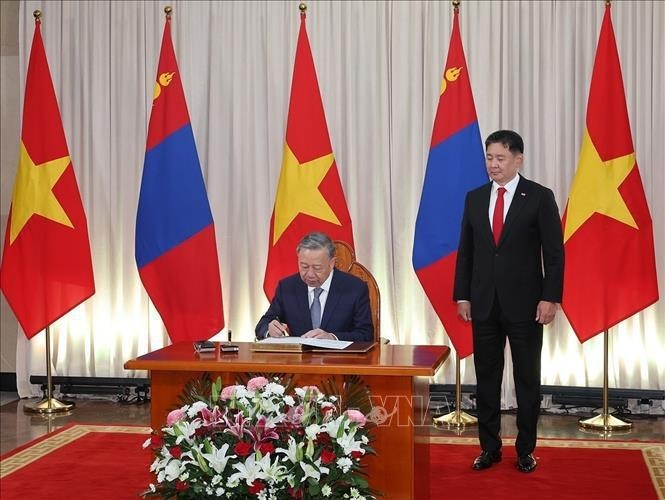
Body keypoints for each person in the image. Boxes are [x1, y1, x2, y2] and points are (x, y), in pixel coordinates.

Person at [453, 130, 564, 473]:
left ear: (519, 159)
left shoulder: (539, 197)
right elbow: (466, 251)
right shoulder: (475, 197)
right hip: (484, 303)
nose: (494, 165)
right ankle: (489, 448)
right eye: (489, 158)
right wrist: (462, 294)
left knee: (527, 379)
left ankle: (525, 450)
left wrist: (550, 298)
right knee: (486, 378)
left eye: (500, 158)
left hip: (527, 305)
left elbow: (555, 254)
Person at [255, 232, 373, 342]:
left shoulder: (355, 288)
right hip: (298, 362)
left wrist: (332, 337)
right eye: (304, 266)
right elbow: (262, 325)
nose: (310, 274)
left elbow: (366, 334)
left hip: (339, 361)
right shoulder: (287, 287)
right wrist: (269, 330)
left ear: (331, 263)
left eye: (317, 268)